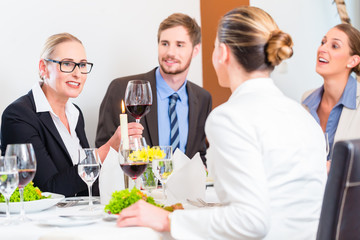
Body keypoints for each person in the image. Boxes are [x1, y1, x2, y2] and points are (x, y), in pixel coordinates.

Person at [116, 6, 327, 239]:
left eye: (214, 46)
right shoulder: (303, 116)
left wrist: (166, 219)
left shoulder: (229, 117)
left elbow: (250, 221)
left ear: (223, 53)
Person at [1, 33, 143, 197]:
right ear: (43, 68)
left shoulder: (75, 113)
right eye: (67, 64)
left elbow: (86, 181)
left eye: (82, 65)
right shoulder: (18, 116)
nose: (78, 74)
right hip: (44, 220)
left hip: (80, 215)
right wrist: (108, 149)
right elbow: (49, 189)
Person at [95, 13, 212, 165]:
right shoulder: (121, 89)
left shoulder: (203, 98)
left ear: (195, 50)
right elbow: (105, 152)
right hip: (137, 187)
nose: (170, 52)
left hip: (186, 189)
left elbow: (199, 155)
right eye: (164, 43)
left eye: (180, 45)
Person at [302, 24, 360, 171]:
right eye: (323, 42)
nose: (322, 49)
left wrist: (334, 167)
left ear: (352, 61)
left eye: (334, 46)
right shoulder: (306, 100)